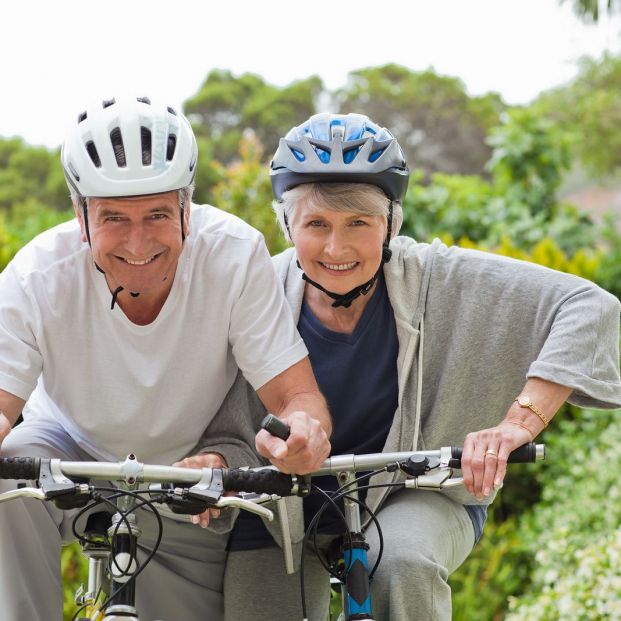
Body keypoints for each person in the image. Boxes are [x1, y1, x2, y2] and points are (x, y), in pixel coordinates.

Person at [208, 112, 621, 621]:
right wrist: (219, 460)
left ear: (391, 225)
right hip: (285, 505)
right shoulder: (256, 293)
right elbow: (218, 422)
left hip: (419, 492)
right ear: (286, 225)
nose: (337, 248)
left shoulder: (436, 277)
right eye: (316, 224)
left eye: (358, 223)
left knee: (402, 561)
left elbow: (588, 305)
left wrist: (518, 423)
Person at [0, 96, 332, 621]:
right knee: (8, 477)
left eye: (157, 213)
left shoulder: (234, 254)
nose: (138, 242)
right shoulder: (35, 275)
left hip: (184, 477)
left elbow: (296, 397)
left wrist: (305, 435)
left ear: (187, 207)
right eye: (113, 217)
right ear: (80, 217)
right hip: (66, 453)